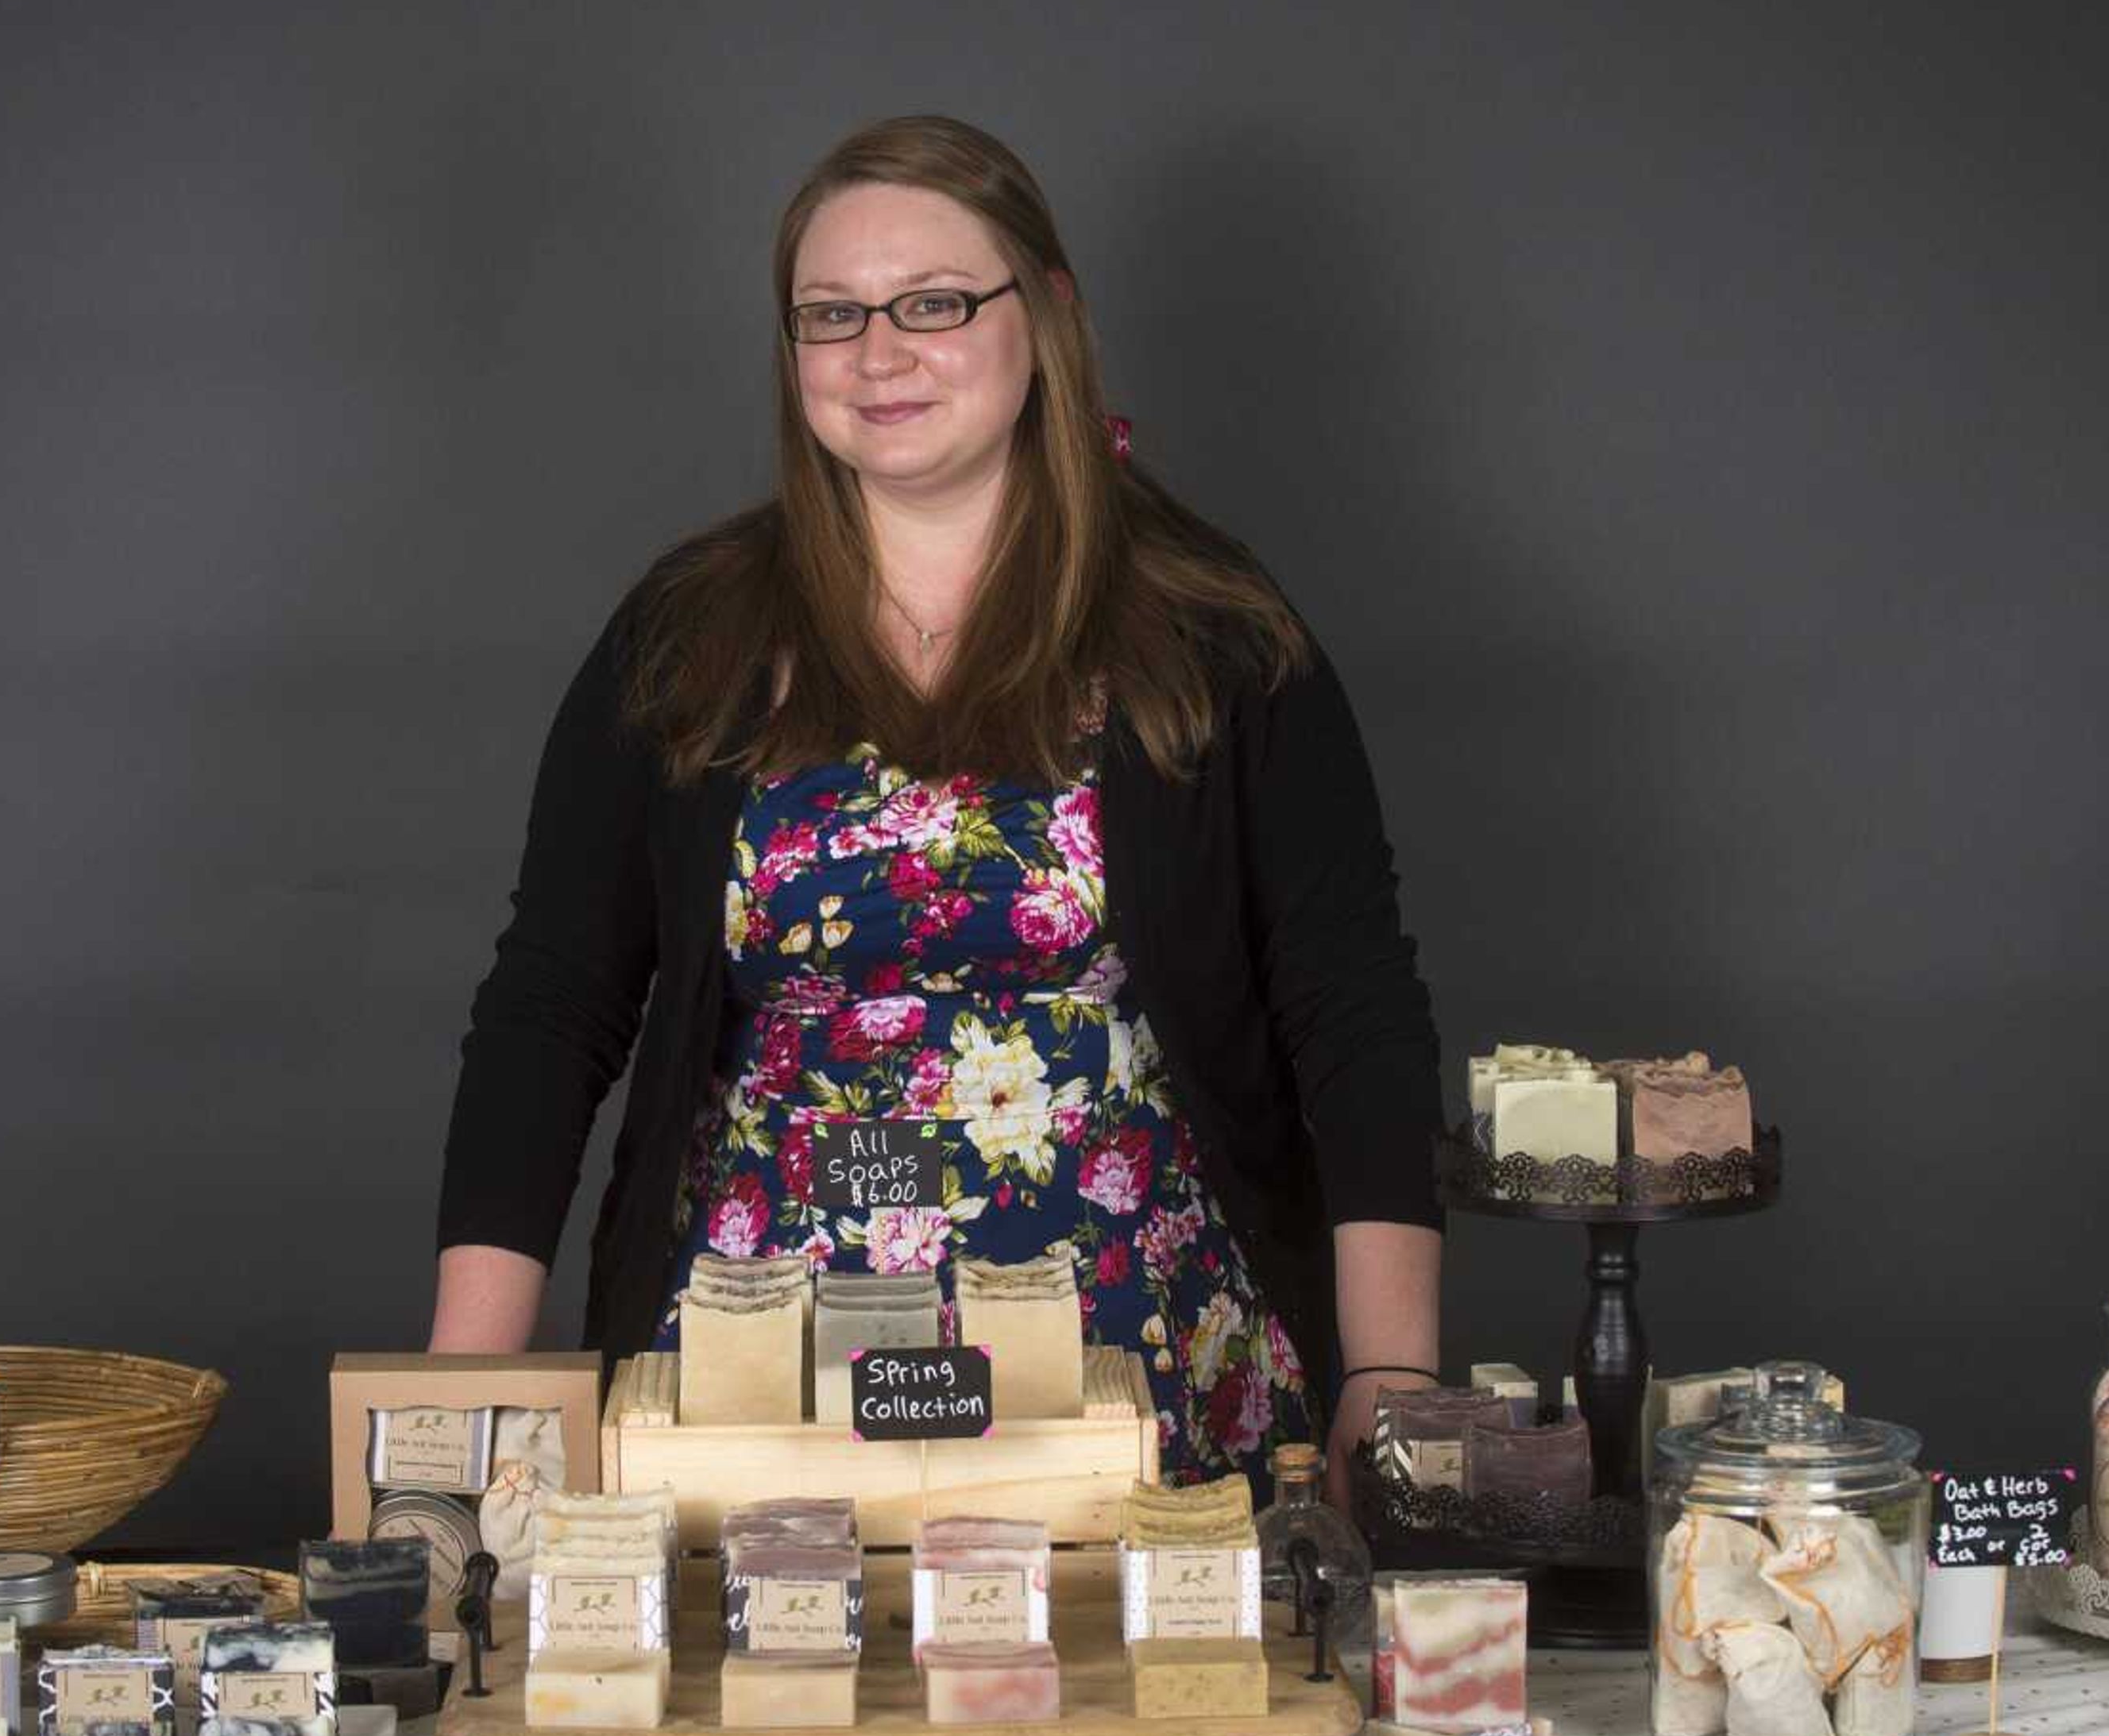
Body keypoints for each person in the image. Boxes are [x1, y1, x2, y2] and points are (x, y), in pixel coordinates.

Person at [431, 114, 1442, 1507]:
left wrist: (1389, 1379)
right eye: (831, 315)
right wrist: (456, 1401)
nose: (877, 354)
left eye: (934, 304)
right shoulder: (689, 634)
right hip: (747, 1375)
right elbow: (551, 1007)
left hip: (1139, 1366)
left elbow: (1353, 1002)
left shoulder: (1212, 630)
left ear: (1053, 314)